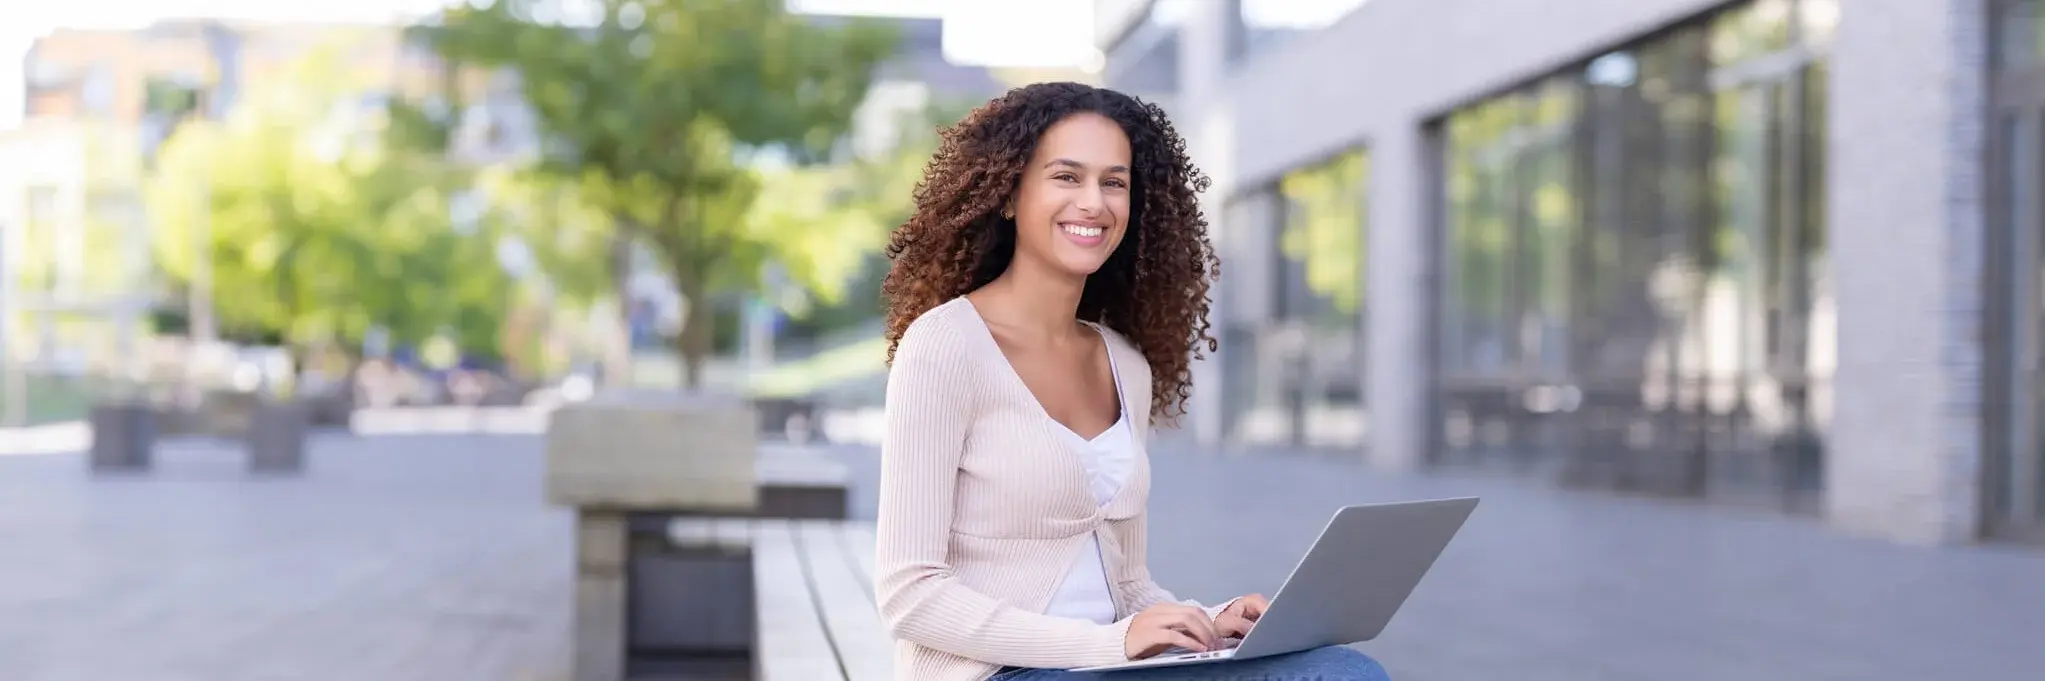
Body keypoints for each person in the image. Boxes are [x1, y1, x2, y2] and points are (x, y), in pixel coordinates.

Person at [871, 81, 1391, 681]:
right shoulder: (945, 346)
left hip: (1110, 667)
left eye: (1113, 182)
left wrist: (1209, 620)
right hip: (998, 672)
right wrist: (1107, 645)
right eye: (1066, 177)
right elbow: (910, 592)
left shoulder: (1124, 363)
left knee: (1341, 670)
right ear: (1008, 194)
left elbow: (1127, 583)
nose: (1094, 202)